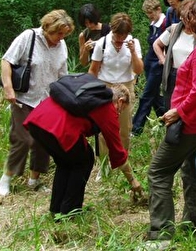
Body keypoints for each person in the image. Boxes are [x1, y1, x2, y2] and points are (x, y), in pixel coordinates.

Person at [143, 0, 196, 247]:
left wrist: (178, 111)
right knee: (193, 172)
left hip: (190, 123)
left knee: (158, 173)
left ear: (194, 21)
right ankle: (195, 225)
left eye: (187, 20)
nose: (184, 25)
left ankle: (161, 234)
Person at [23, 84, 137, 216]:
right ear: (120, 101)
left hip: (37, 122)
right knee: (84, 160)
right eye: (121, 110)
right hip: (57, 127)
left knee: (65, 163)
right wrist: (133, 181)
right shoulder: (107, 107)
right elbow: (117, 151)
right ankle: (69, 211)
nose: (119, 113)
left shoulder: (90, 94)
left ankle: (56, 210)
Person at [0, 10, 75, 197]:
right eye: (58, 33)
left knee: (43, 141)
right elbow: (6, 61)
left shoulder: (61, 44)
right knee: (22, 139)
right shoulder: (29, 37)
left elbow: (62, 74)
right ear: (48, 27)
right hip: (24, 98)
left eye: (64, 34)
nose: (61, 37)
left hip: (48, 100)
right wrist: (8, 88)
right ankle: (6, 179)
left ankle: (35, 179)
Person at [88, 13, 143, 190]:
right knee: (104, 130)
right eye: (118, 36)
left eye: (124, 35)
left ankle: (122, 161)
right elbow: (93, 70)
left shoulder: (133, 43)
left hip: (126, 87)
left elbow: (139, 69)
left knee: (124, 128)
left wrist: (133, 51)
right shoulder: (102, 44)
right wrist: (91, 92)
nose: (121, 39)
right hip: (105, 87)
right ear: (112, 30)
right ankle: (104, 166)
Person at [153, 0, 196, 111]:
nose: (183, 20)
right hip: (173, 75)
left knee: (188, 110)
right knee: (171, 109)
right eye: (181, 16)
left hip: (192, 76)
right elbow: (157, 44)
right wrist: (163, 60)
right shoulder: (174, 29)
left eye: (186, 17)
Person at [132, 0, 166, 136]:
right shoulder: (153, 24)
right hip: (149, 63)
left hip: (159, 64)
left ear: (159, 9)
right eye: (147, 14)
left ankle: (136, 128)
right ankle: (165, 119)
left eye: (151, 13)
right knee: (154, 96)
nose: (149, 16)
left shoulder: (166, 23)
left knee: (146, 95)